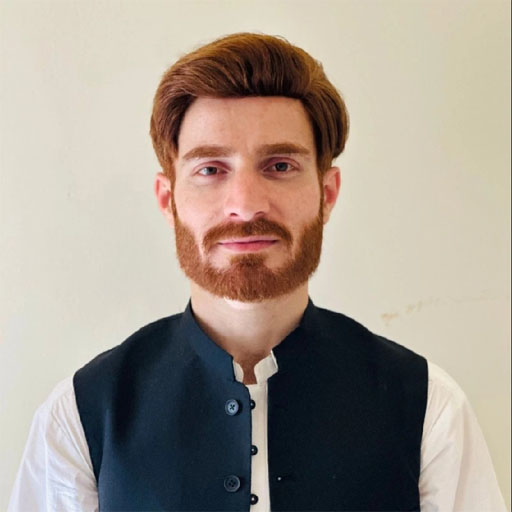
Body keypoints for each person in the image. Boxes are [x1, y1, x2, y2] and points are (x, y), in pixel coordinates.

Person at [9, 33, 506, 512]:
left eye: (280, 166)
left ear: (327, 194)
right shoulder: (79, 416)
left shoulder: (430, 408)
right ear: (168, 200)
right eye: (210, 169)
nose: (245, 205)